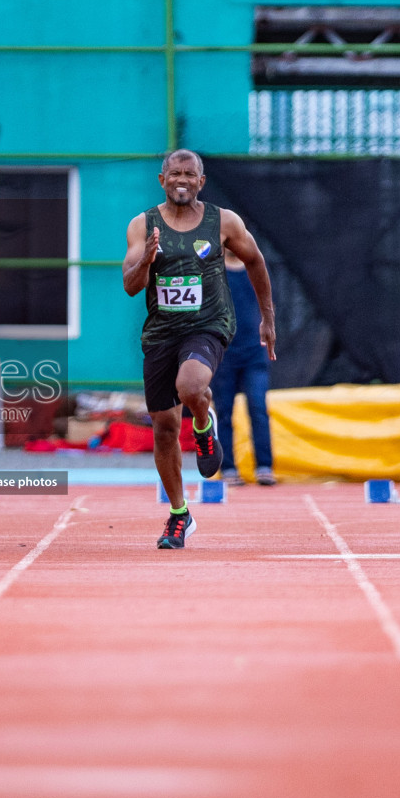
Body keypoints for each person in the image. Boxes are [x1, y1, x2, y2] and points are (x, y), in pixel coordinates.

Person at [123, 150, 276, 549]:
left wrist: (268, 319)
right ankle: (179, 514)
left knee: (191, 386)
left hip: (208, 325)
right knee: (164, 429)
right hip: (161, 332)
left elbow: (256, 261)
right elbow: (130, 284)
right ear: (162, 179)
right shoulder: (143, 225)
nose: (182, 180)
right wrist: (146, 262)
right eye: (175, 173)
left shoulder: (223, 221)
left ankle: (204, 426)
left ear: (201, 182)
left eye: (190, 174)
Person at [211, 248, 277, 487]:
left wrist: (269, 329)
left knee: (258, 407)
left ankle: (264, 467)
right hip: (224, 353)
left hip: (254, 352)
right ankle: (228, 468)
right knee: (224, 412)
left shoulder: (255, 268)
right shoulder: (214, 271)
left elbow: (268, 301)